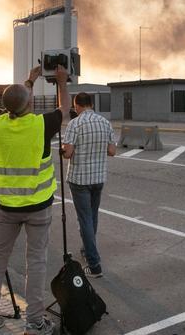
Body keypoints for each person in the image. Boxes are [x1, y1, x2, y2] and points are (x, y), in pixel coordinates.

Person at [0, 65, 69, 335]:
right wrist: (62, 83)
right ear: (30, 103)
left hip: (7, 206)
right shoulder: (40, 125)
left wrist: (29, 80)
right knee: (36, 263)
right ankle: (34, 323)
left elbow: (17, 101)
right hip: (38, 207)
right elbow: (64, 110)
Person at [62, 92, 116, 279]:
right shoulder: (105, 122)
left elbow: (67, 153)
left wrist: (65, 149)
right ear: (91, 104)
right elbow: (112, 151)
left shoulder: (74, 124)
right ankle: (87, 249)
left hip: (80, 179)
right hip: (98, 178)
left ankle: (94, 265)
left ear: (76, 105)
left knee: (84, 219)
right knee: (92, 217)